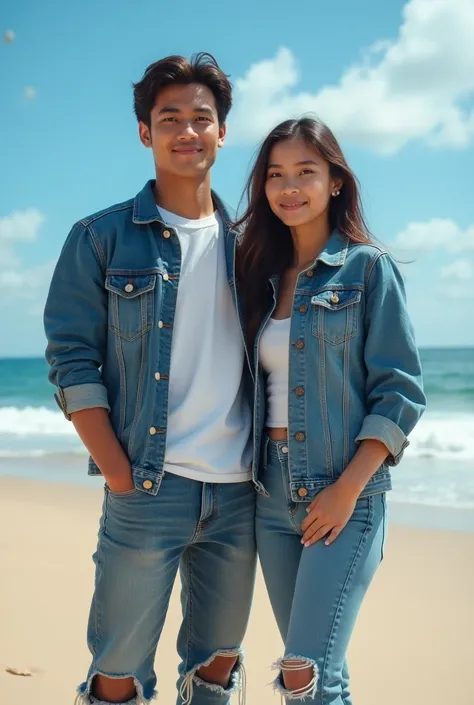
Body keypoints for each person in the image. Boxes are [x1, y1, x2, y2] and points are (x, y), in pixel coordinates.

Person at [44, 53, 256, 705]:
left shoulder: (255, 243)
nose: (188, 131)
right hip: (147, 483)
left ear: (223, 131)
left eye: (203, 118)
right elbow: (72, 358)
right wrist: (115, 468)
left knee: (218, 665)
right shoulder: (101, 237)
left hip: (243, 490)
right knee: (118, 672)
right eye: (171, 119)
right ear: (146, 133)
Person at [236, 116, 426, 704]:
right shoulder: (258, 277)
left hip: (344, 495)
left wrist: (346, 489)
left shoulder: (369, 270)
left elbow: (400, 391)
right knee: (324, 673)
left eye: (306, 172)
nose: (289, 187)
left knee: (303, 670)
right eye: (276, 174)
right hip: (267, 492)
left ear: (335, 182)